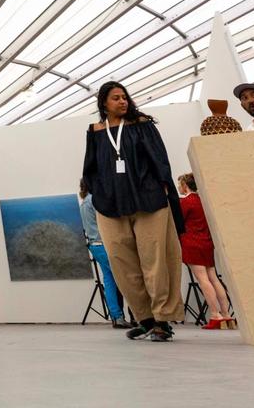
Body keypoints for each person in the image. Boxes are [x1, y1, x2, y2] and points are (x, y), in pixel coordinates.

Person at [81, 81, 184, 343]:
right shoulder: (95, 131)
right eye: (116, 98)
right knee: (121, 262)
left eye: (124, 97)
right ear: (104, 103)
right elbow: (90, 169)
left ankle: (162, 319)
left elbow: (160, 160)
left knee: (155, 259)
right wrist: (99, 192)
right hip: (110, 205)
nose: (122, 101)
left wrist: (162, 188)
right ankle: (145, 318)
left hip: (148, 200)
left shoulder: (142, 124)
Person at [176, 173, 232, 328]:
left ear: (185, 186)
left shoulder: (186, 202)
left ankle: (215, 315)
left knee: (203, 280)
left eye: (180, 184)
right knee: (214, 278)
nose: (179, 187)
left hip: (192, 243)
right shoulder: (204, 201)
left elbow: (179, 222)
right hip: (206, 243)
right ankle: (226, 315)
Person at [78, 178, 128, 329]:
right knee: (125, 277)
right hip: (103, 244)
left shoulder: (84, 202)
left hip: (95, 245)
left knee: (110, 280)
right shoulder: (94, 200)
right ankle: (137, 315)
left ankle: (117, 317)